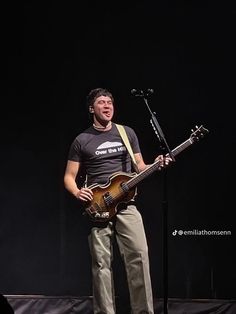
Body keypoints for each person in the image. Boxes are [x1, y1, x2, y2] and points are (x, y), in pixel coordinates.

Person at [63, 88, 172, 314]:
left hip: (126, 204)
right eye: (102, 102)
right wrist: (77, 192)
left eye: (110, 102)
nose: (107, 106)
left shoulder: (126, 133)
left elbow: (140, 167)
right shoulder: (82, 140)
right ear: (92, 109)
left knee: (139, 257)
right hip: (99, 205)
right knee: (101, 265)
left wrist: (156, 163)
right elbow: (69, 177)